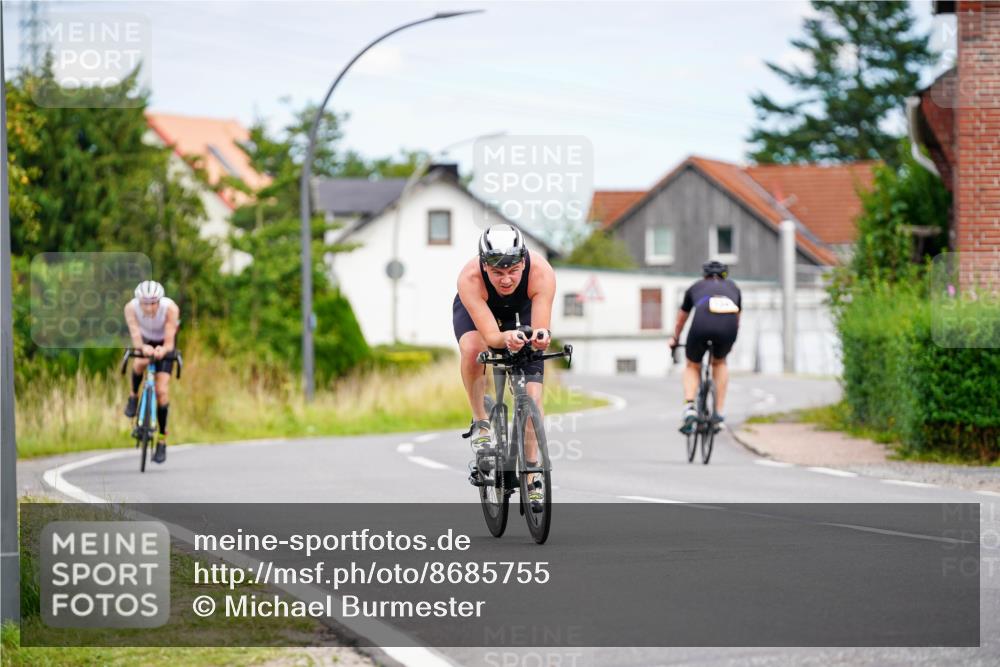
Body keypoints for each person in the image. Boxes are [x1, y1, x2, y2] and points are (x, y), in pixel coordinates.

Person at [453, 224, 556, 504]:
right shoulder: (470, 278)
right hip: (481, 313)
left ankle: (532, 474)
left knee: (532, 396)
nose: (507, 280)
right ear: (484, 266)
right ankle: (481, 422)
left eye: (513, 271)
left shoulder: (541, 272)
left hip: (522, 313)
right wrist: (504, 338)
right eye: (497, 273)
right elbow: (491, 337)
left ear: (523, 261)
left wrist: (541, 337)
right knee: (474, 348)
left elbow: (540, 328)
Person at [667, 261, 741, 434]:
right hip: (727, 327)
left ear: (704, 275)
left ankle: (690, 406)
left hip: (702, 325)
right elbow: (738, 320)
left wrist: (675, 339)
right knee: (720, 363)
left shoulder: (696, 287)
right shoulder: (734, 288)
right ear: (725, 275)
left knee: (693, 365)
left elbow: (681, 320)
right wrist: (729, 344)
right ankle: (718, 413)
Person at [123, 280, 180, 464]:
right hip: (144, 342)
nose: (149, 307)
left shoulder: (170, 308)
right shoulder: (130, 308)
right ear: (139, 301)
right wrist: (143, 348)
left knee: (162, 391)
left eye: (154, 302)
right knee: (139, 362)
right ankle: (133, 396)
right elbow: (135, 336)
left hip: (164, 342)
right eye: (145, 303)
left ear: (160, 300)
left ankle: (162, 439)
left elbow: (170, 341)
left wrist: (162, 350)